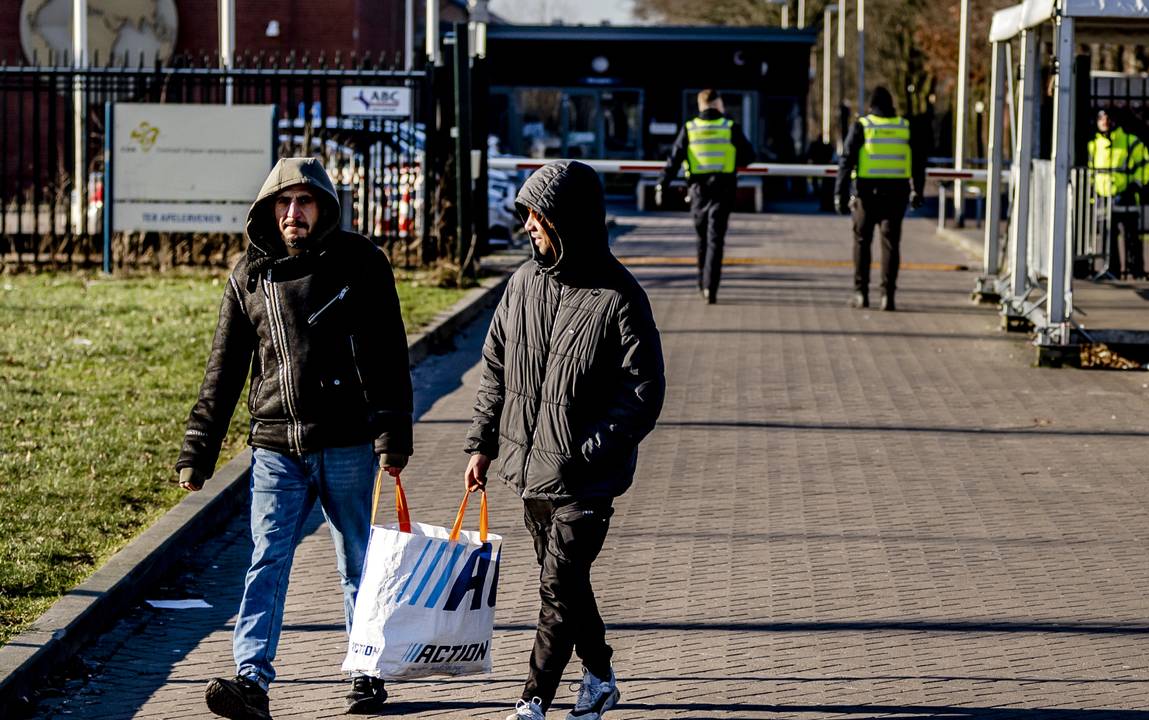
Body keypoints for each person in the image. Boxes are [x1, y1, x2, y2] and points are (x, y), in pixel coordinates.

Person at [174, 157, 413, 719]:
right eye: (283, 203)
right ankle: (250, 680)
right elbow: (224, 368)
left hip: (347, 442)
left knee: (358, 558)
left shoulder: (361, 263)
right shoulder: (248, 276)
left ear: (324, 207)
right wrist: (198, 448)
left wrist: (392, 431)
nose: (293, 213)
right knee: (266, 560)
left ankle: (367, 671)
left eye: (304, 202)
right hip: (275, 446)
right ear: (267, 210)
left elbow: (387, 352)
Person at [463, 160, 666, 720]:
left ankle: (533, 702)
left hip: (584, 480)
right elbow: (494, 368)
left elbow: (643, 394)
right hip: (529, 473)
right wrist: (481, 443)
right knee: (569, 588)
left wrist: (587, 454)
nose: (528, 224)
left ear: (566, 220)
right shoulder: (522, 284)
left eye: (538, 215)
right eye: (526, 214)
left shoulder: (619, 296)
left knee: (556, 589)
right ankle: (599, 676)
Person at [657, 88, 756, 304]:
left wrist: (661, 184)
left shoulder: (690, 128)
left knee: (702, 238)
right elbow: (749, 156)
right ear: (718, 104)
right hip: (724, 188)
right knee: (715, 239)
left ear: (701, 105)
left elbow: (674, 160)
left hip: (697, 191)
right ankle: (711, 288)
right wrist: (731, 160)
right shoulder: (730, 127)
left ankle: (701, 282)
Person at [834, 86, 925, 311]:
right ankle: (887, 296)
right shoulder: (905, 126)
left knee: (862, 243)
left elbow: (846, 161)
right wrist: (918, 191)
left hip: (867, 195)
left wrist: (839, 193)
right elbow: (918, 162)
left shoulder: (863, 126)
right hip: (896, 194)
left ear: (871, 106)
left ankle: (861, 294)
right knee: (891, 244)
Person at [1088, 108, 1149, 279]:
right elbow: (1089, 172)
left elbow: (1146, 166)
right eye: (1101, 118)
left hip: (1126, 195)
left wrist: (1136, 184)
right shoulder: (1093, 146)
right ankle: (1112, 270)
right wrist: (1092, 192)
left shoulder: (1131, 142)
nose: (1105, 121)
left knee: (1131, 236)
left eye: (1107, 118)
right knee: (1107, 237)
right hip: (1103, 197)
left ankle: (1137, 271)